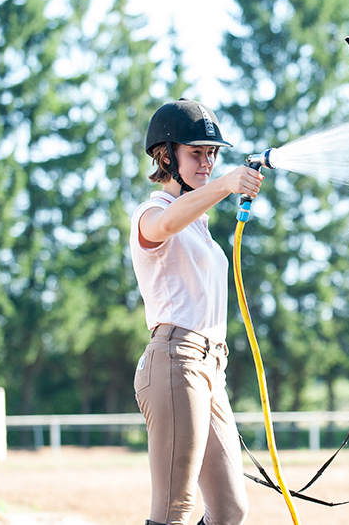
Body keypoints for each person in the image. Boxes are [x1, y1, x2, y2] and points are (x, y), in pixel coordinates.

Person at [129, 98, 263, 525]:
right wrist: (224, 185)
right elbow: (164, 227)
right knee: (175, 508)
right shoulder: (153, 212)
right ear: (166, 156)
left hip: (210, 368)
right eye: (196, 153)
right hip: (175, 361)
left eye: (212, 154)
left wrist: (219, 189)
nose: (207, 162)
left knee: (229, 510)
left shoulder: (199, 226)